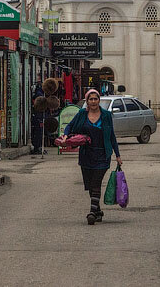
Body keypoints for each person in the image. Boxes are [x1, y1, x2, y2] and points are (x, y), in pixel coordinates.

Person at [63, 89, 122, 224]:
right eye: (91, 99)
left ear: (99, 100)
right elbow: (70, 126)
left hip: (102, 155)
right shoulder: (82, 114)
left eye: (96, 99)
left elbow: (111, 136)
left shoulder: (106, 115)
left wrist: (117, 155)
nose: (93, 101)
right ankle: (98, 211)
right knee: (90, 185)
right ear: (87, 101)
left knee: (96, 183)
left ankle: (91, 212)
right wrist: (66, 136)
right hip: (86, 155)